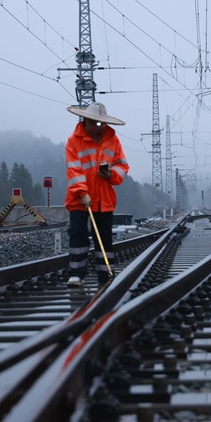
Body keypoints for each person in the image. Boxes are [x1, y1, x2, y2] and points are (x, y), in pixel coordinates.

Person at [64, 102, 129, 287]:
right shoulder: (73, 141)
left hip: (104, 198)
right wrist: (83, 193)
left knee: (104, 236)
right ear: (85, 120)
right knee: (78, 233)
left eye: (101, 123)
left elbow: (122, 165)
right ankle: (76, 274)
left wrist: (111, 174)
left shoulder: (113, 139)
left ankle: (106, 273)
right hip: (78, 198)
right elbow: (73, 169)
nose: (98, 127)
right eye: (94, 123)